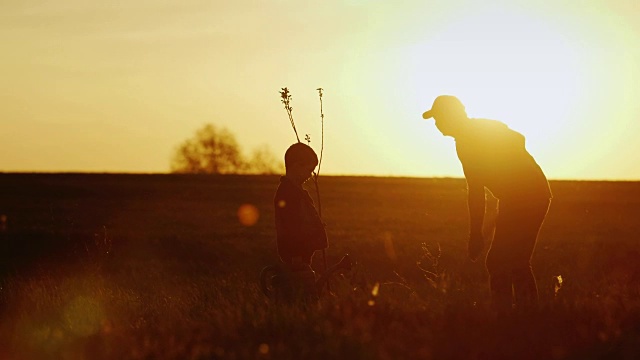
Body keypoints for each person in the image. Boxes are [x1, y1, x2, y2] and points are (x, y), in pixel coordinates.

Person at [421, 95, 552, 314]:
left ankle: (511, 315)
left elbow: (518, 139)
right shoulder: (464, 142)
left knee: (505, 260)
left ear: (451, 116)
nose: (437, 124)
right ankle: (520, 314)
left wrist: (476, 234)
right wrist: (476, 233)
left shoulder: (477, 133)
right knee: (510, 260)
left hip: (528, 195)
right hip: (518, 197)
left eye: (438, 118)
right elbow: (475, 190)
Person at [274, 142, 328, 272]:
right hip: (295, 258)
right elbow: (290, 227)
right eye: (308, 170)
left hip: (300, 256)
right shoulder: (288, 193)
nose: (310, 175)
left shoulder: (296, 191)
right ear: (297, 166)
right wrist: (296, 255)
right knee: (300, 288)